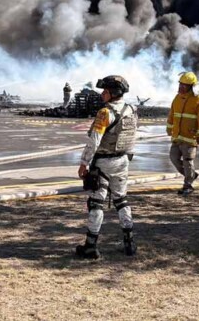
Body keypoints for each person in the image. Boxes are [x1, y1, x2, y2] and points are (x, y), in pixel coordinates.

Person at [75, 75, 138, 259]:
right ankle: (129, 243)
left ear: (113, 93)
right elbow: (133, 136)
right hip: (123, 161)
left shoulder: (105, 113)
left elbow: (94, 142)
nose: (102, 94)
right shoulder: (132, 110)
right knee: (121, 200)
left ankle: (90, 245)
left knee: (96, 203)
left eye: (105, 91)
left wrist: (84, 163)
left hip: (103, 163)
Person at [167, 72, 199, 196]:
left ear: (191, 87)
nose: (181, 87)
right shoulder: (177, 98)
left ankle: (188, 185)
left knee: (188, 161)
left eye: (184, 85)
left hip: (190, 138)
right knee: (173, 158)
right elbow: (172, 114)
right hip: (177, 137)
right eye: (180, 84)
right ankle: (191, 175)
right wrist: (169, 128)